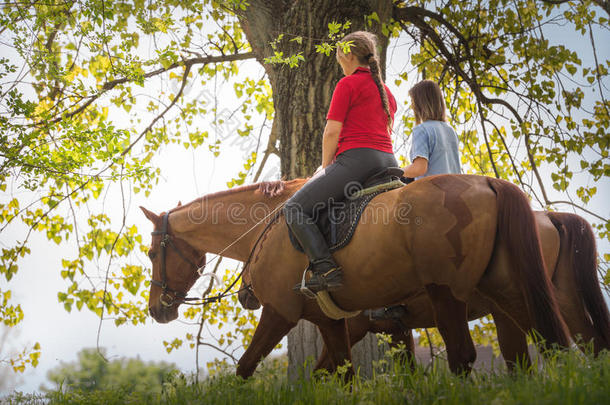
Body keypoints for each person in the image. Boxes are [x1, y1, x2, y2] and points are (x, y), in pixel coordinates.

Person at [283, 31, 399, 296]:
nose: (339, 63)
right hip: (389, 161)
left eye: (338, 57)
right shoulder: (387, 92)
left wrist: (325, 168)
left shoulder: (347, 85)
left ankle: (326, 268)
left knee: (294, 209)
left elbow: (331, 132)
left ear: (347, 55)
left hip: (358, 160)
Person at [401, 80, 462, 179]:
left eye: (413, 102)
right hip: (454, 191)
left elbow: (419, 168)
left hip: (431, 191)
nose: (412, 106)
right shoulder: (451, 131)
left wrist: (397, 172)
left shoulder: (422, 130)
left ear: (420, 104)